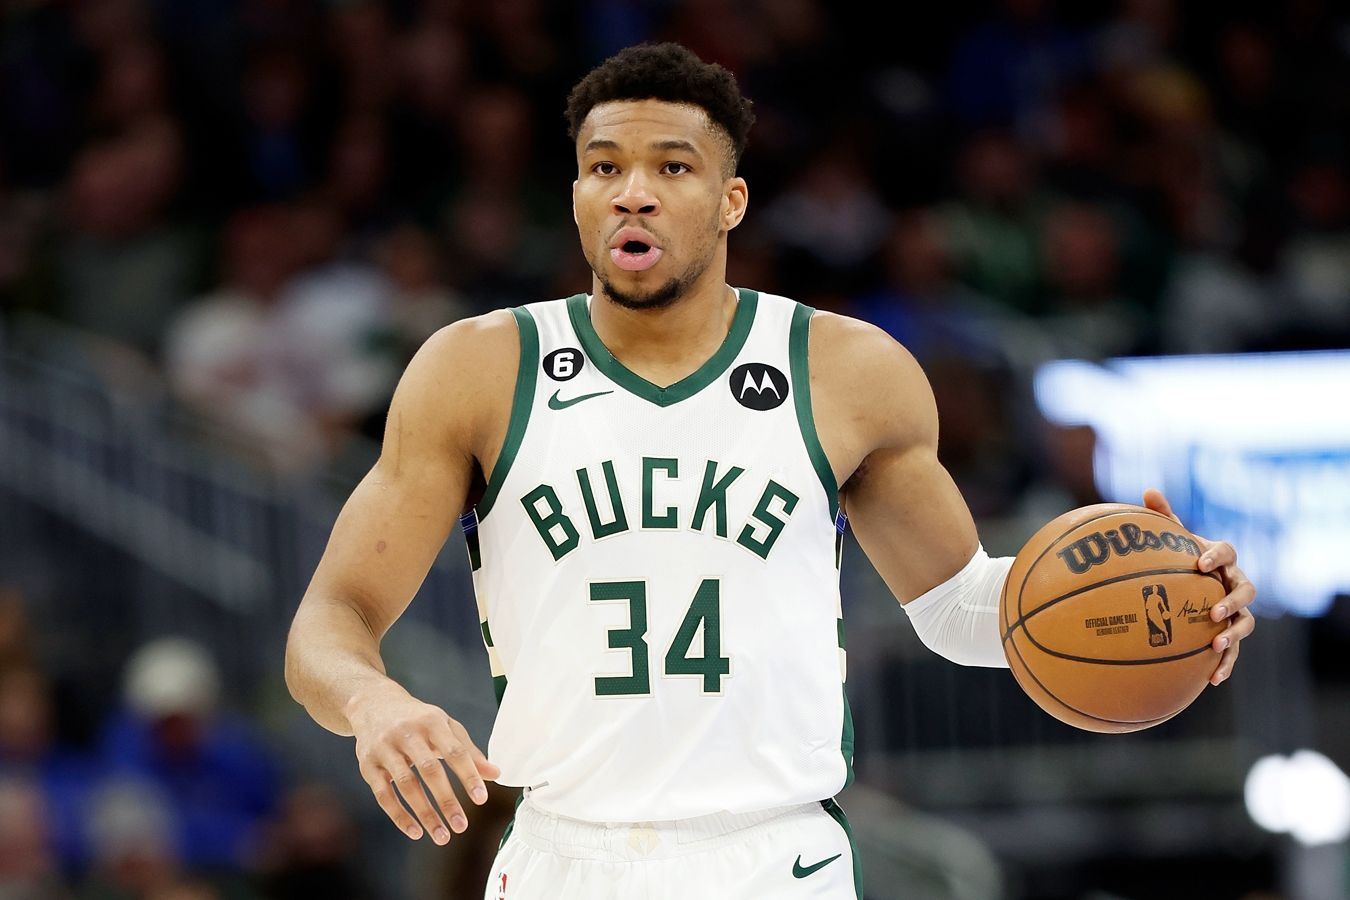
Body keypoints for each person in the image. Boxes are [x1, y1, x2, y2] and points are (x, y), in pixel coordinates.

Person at [284, 42, 1256, 899]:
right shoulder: (477, 370)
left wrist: (1172, 597)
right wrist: (375, 703)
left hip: (772, 861)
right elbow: (331, 619)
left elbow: (960, 610)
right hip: (561, 855)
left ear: (731, 200)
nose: (633, 191)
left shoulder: (847, 372)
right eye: (604, 166)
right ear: (577, 196)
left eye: (673, 166)